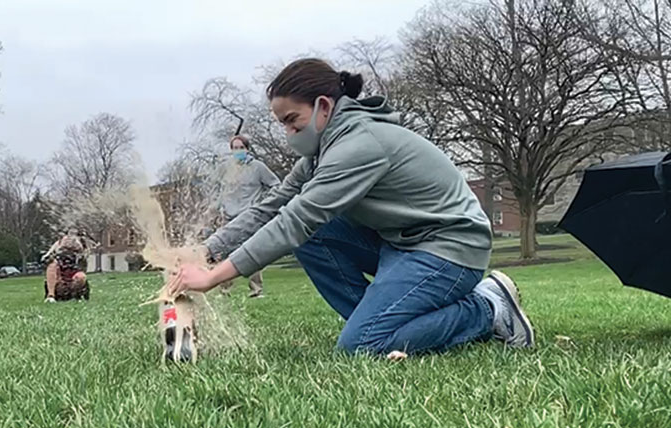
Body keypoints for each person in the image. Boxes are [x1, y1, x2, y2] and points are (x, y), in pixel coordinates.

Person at [170, 58, 534, 356]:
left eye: (292, 121)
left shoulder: (359, 145)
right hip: (401, 245)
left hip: (449, 250)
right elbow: (273, 206)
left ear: (323, 107)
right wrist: (207, 250)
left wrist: (214, 277)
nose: (288, 133)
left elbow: (297, 220)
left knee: (360, 345)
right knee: (315, 241)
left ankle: (489, 309)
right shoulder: (323, 151)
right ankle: (380, 324)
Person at [216, 135, 281, 298]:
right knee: (224, 254)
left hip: (249, 216)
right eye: (234, 148)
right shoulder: (225, 168)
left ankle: (256, 290)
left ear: (247, 149)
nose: (237, 151)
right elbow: (217, 188)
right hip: (229, 217)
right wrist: (219, 208)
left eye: (241, 147)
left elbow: (276, 185)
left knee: (252, 252)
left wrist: (263, 203)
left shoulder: (258, 167)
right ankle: (224, 290)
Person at [41, 229, 90, 303]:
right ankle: (51, 295)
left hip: (73, 282)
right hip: (59, 282)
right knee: (52, 266)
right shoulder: (56, 253)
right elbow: (45, 260)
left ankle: (76, 295)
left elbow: (83, 270)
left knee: (81, 276)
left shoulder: (80, 255)